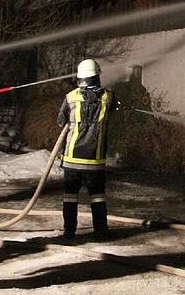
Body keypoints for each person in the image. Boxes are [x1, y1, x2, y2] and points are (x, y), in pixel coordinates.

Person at [57, 59, 116, 240]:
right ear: (97, 75)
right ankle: (101, 231)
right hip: (94, 158)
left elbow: (60, 121)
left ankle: (69, 232)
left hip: (72, 158)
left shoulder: (70, 97)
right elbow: (115, 109)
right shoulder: (108, 97)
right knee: (97, 196)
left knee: (70, 197)